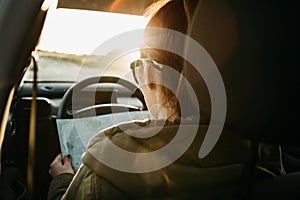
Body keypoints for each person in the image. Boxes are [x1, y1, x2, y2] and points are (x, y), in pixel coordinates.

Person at [48, 0, 285, 199]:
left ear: (158, 75)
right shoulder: (268, 157)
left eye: (141, 64)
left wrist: (62, 181)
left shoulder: (108, 168)